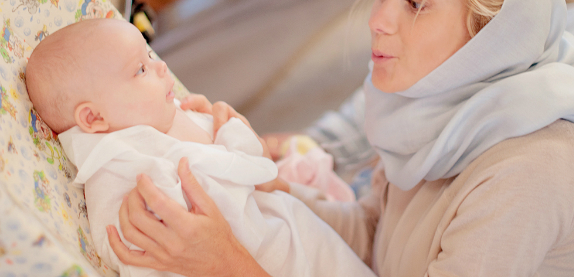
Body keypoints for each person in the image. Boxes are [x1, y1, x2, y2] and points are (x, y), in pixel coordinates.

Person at [108, 0, 574, 277]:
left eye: (415, 3)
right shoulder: (432, 106)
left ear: (489, 34)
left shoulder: (535, 169)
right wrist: (259, 178)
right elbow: (371, 237)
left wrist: (225, 263)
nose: (377, 20)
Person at [25, 18, 376, 277]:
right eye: (141, 69)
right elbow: (129, 247)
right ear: (93, 118)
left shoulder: (158, 117)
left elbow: (251, 165)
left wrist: (230, 134)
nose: (162, 66)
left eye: (150, 54)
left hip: (277, 237)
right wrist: (233, 140)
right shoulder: (115, 170)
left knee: (324, 249)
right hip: (267, 254)